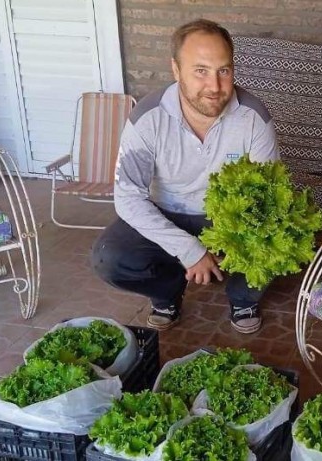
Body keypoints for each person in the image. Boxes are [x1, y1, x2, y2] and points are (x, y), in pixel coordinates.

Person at [90, 19, 278, 333]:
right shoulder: (146, 120)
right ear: (176, 70)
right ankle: (167, 292)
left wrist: (237, 235)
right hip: (168, 212)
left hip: (228, 216)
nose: (215, 87)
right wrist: (189, 250)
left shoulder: (253, 118)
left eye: (224, 70)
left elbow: (267, 196)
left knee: (276, 237)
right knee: (109, 258)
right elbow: (127, 197)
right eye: (200, 71)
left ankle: (244, 298)